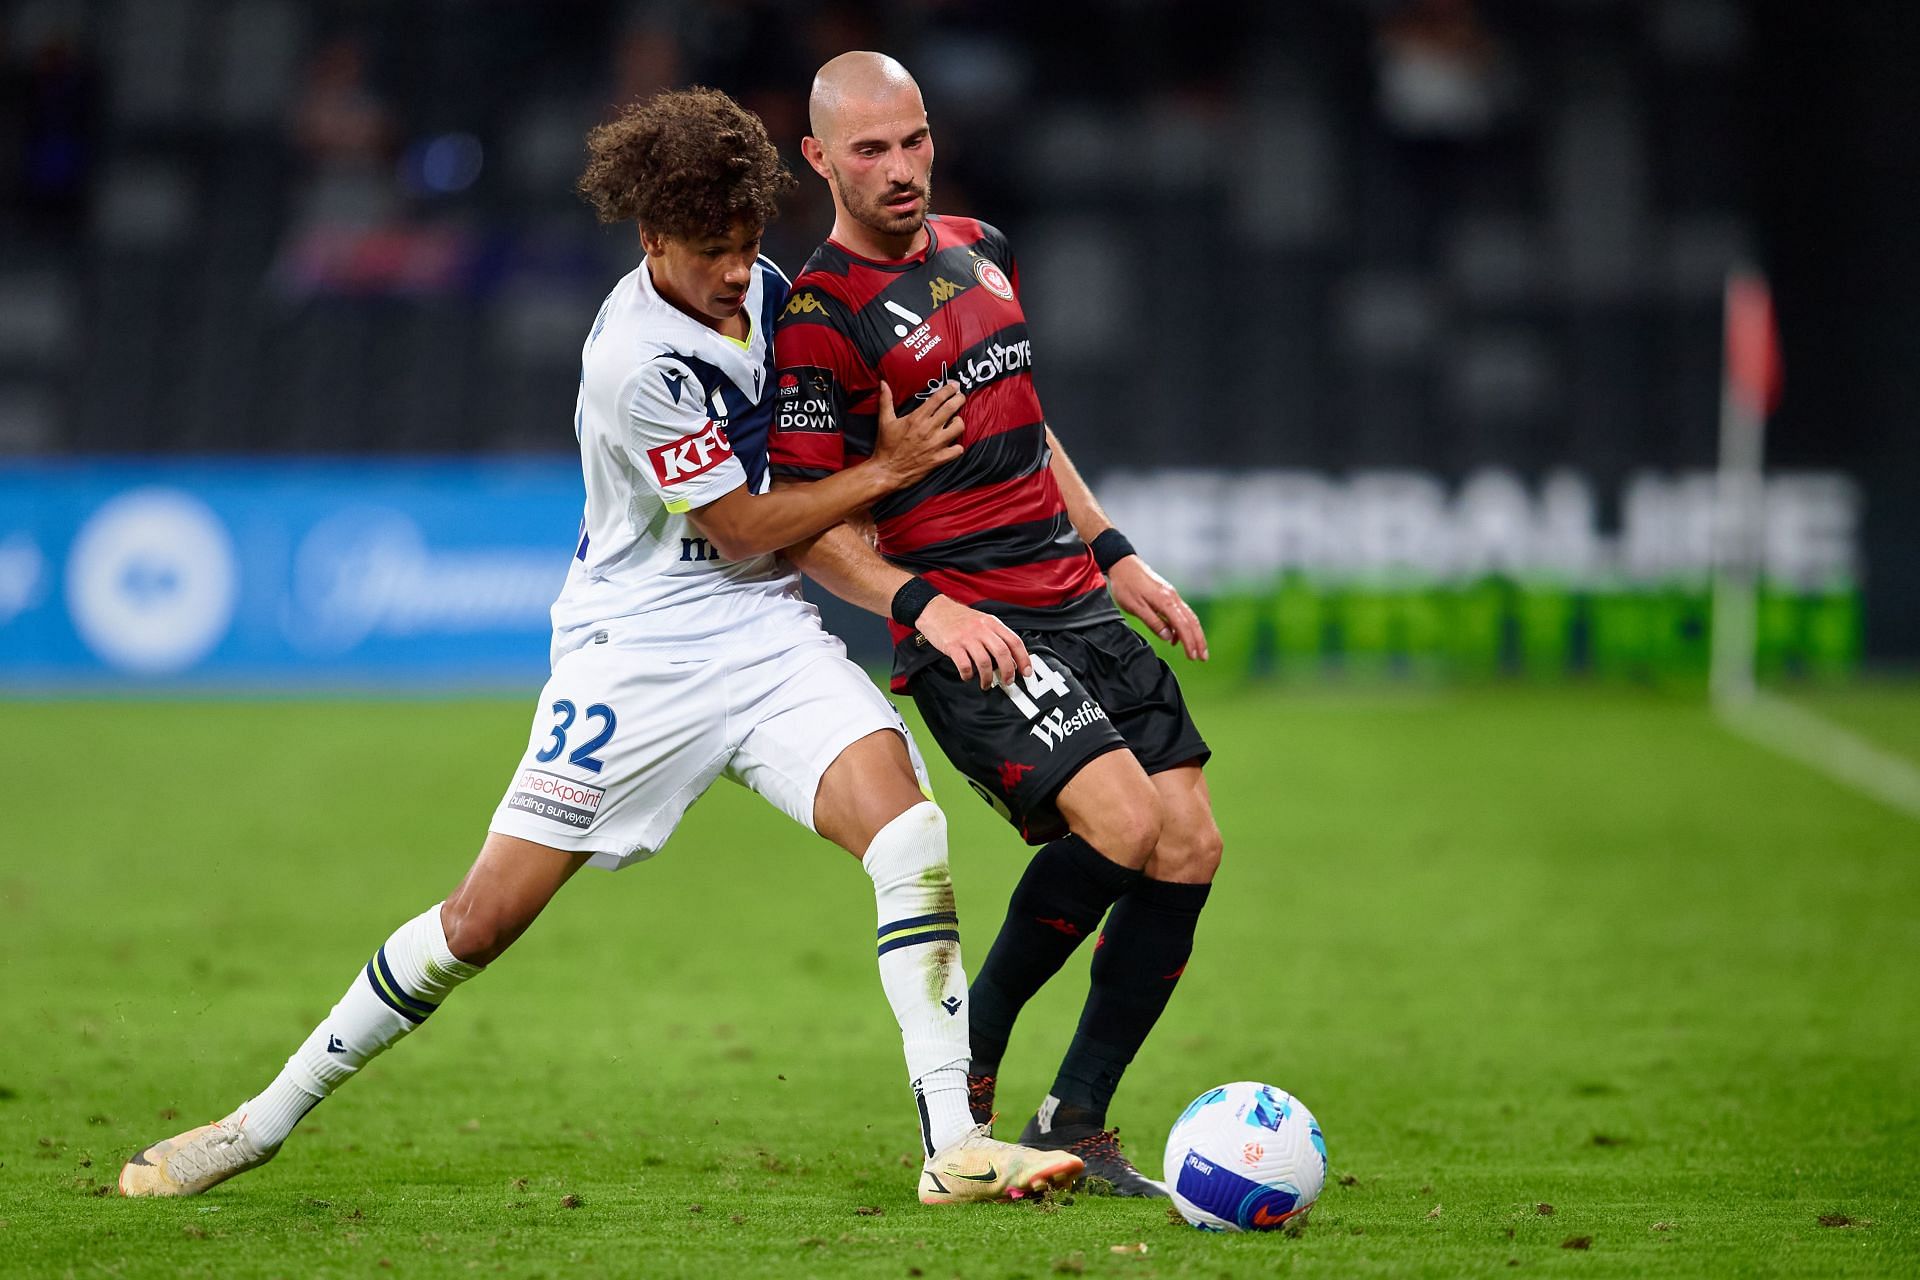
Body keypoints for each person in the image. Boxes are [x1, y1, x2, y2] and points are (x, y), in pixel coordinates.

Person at [120, 87, 1082, 1208]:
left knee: (907, 829)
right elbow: (744, 525)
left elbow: (802, 469)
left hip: (765, 635)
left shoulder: (769, 291)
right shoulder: (636, 362)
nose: (738, 272)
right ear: (651, 237)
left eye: (749, 244)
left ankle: (953, 1144)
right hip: (637, 652)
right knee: (481, 920)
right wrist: (889, 469)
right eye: (712, 252)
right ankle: (258, 1120)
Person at [768, 53, 1224, 1199]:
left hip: (1073, 593)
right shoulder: (820, 318)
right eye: (868, 151)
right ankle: (969, 1066)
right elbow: (806, 525)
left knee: (1190, 841)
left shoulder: (982, 246)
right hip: (976, 626)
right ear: (819, 160)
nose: (900, 168)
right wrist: (923, 603)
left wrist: (1117, 554)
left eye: (912, 139)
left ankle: (1080, 1111)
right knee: (1121, 821)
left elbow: (1027, 423)